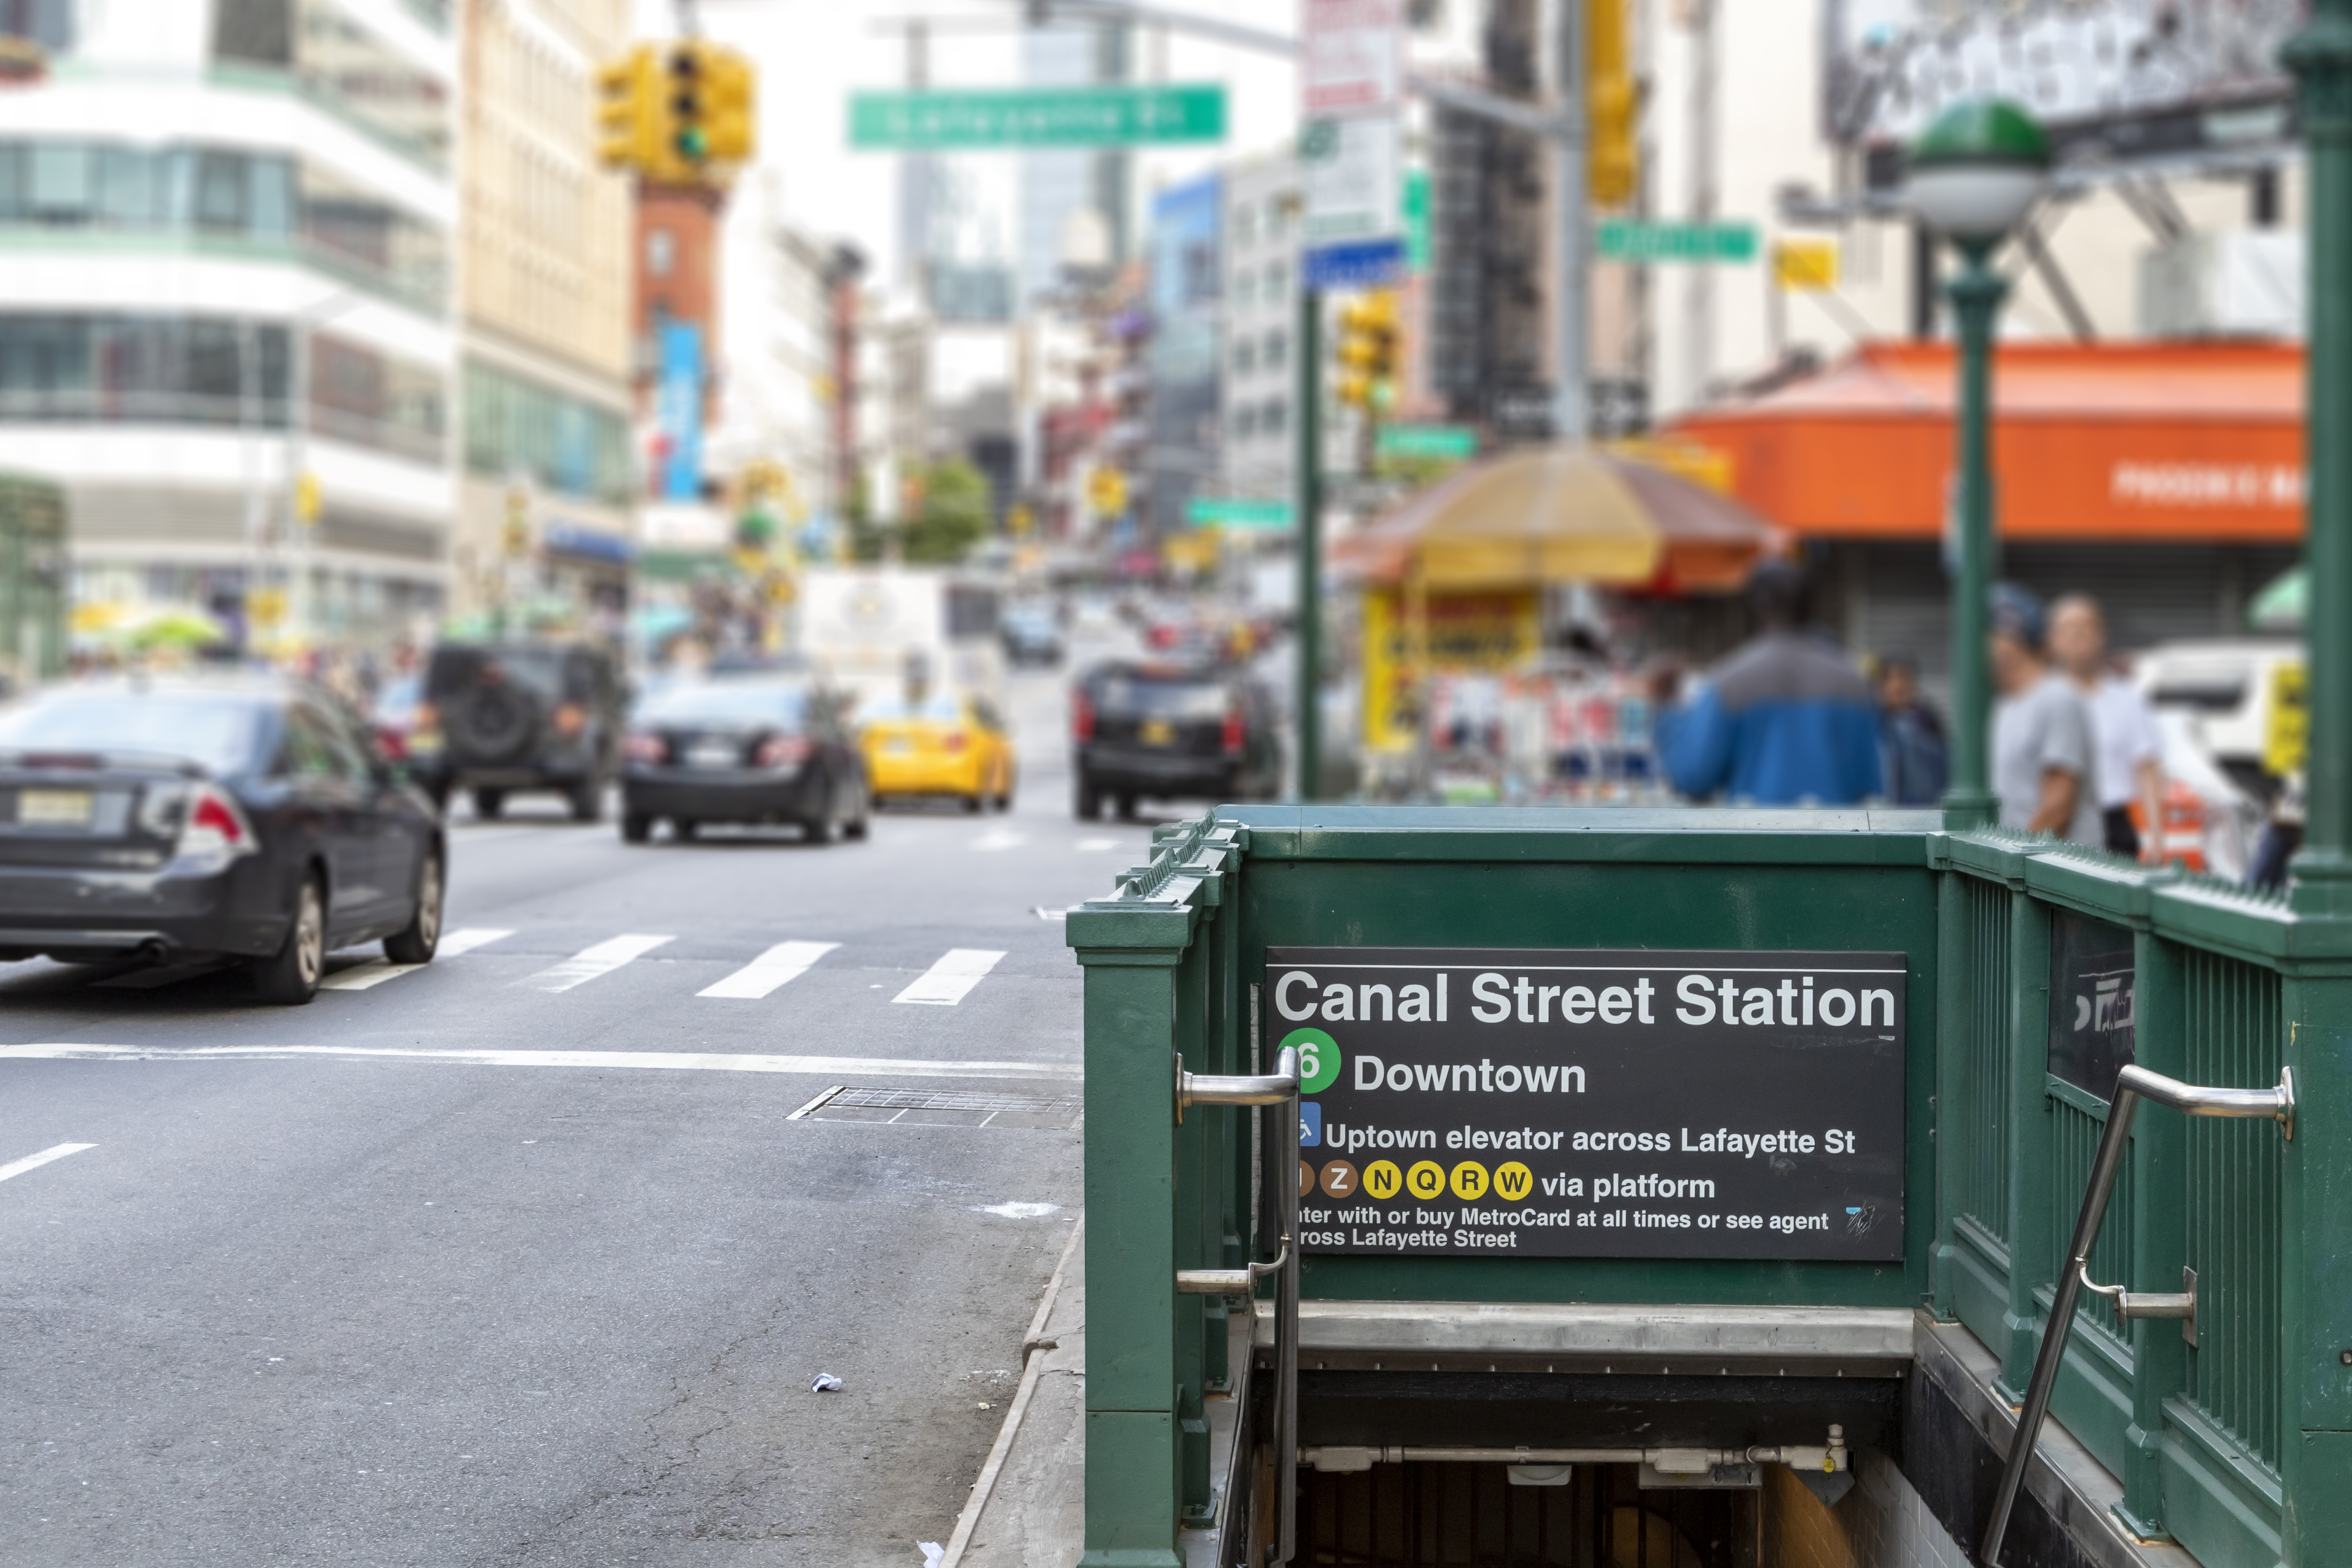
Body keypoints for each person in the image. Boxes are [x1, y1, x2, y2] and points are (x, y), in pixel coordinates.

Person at [1654, 561, 1883, 805]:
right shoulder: (1854, 684)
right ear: (1811, 605)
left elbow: (1693, 778)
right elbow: (1871, 784)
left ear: (1758, 606)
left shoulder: (1730, 681)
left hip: (1754, 840)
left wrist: (1667, 710)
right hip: (1840, 840)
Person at [2048, 594, 2165, 861]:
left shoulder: (2127, 697)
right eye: (2068, 629)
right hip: (2057, 823)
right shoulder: (2043, 700)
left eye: (2085, 627)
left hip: (2115, 823)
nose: (2077, 636)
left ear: (2101, 634)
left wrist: (2156, 839)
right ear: (2053, 640)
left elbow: (2147, 768)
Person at [1990, 584, 2103, 843]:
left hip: (2055, 879)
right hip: (2017, 874)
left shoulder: (2058, 698)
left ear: (2008, 640)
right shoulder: (2002, 706)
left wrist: (2010, 870)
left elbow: (2057, 809)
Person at [1876, 656, 1949, 806]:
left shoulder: (1926, 720)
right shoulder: (1875, 722)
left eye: (1903, 678)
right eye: (1891, 679)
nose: (1898, 685)